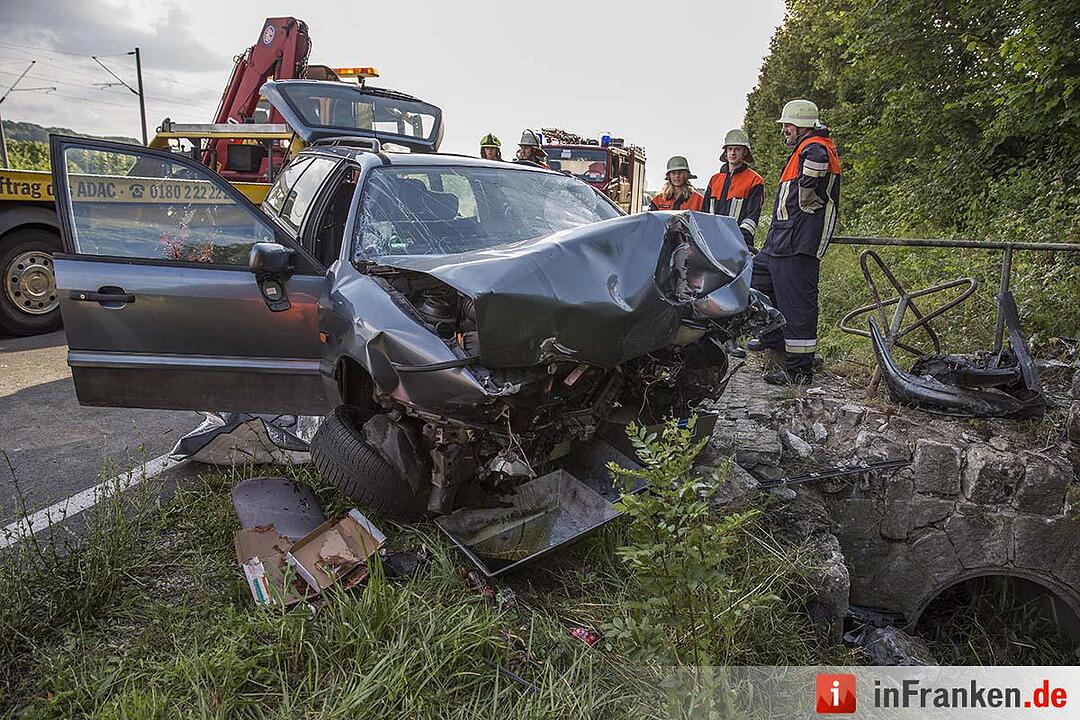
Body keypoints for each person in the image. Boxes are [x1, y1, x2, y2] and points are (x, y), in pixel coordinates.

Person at [751, 98, 842, 385]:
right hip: (780, 240)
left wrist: (806, 190)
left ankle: (799, 372)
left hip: (800, 241)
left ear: (802, 124)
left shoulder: (815, 145)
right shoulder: (802, 148)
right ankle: (775, 339)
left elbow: (816, 162)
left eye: (788, 125)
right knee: (754, 282)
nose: (784, 131)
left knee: (797, 306)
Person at [702, 128, 764, 249]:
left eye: (737, 149)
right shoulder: (714, 180)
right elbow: (704, 213)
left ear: (744, 152)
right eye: (730, 149)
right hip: (712, 243)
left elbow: (752, 216)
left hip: (739, 243)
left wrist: (741, 238)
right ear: (725, 152)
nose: (732, 153)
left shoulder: (754, 180)